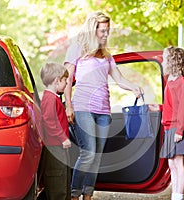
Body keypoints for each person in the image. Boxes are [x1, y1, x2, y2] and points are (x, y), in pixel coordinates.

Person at [63, 11, 143, 200]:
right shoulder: (77, 48)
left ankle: (88, 196)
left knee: (97, 157)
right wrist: (68, 105)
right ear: (93, 29)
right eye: (103, 30)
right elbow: (66, 79)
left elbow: (119, 78)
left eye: (108, 30)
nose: (106, 34)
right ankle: (74, 195)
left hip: (103, 111)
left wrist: (133, 87)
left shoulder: (107, 56)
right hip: (82, 107)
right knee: (88, 153)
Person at [149, 46, 184, 200]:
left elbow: (183, 107)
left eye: (165, 58)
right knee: (171, 164)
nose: (163, 61)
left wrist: (180, 131)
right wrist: (160, 107)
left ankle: (178, 196)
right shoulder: (170, 81)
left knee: (178, 163)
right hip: (169, 126)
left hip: (177, 128)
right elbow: (173, 106)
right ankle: (175, 195)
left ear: (173, 61)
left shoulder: (181, 81)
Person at [40, 62, 72, 200]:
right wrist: (63, 138)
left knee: (63, 177)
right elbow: (50, 121)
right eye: (65, 80)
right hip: (55, 146)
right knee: (57, 180)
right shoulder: (49, 98)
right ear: (57, 80)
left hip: (59, 146)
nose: (66, 84)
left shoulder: (53, 98)